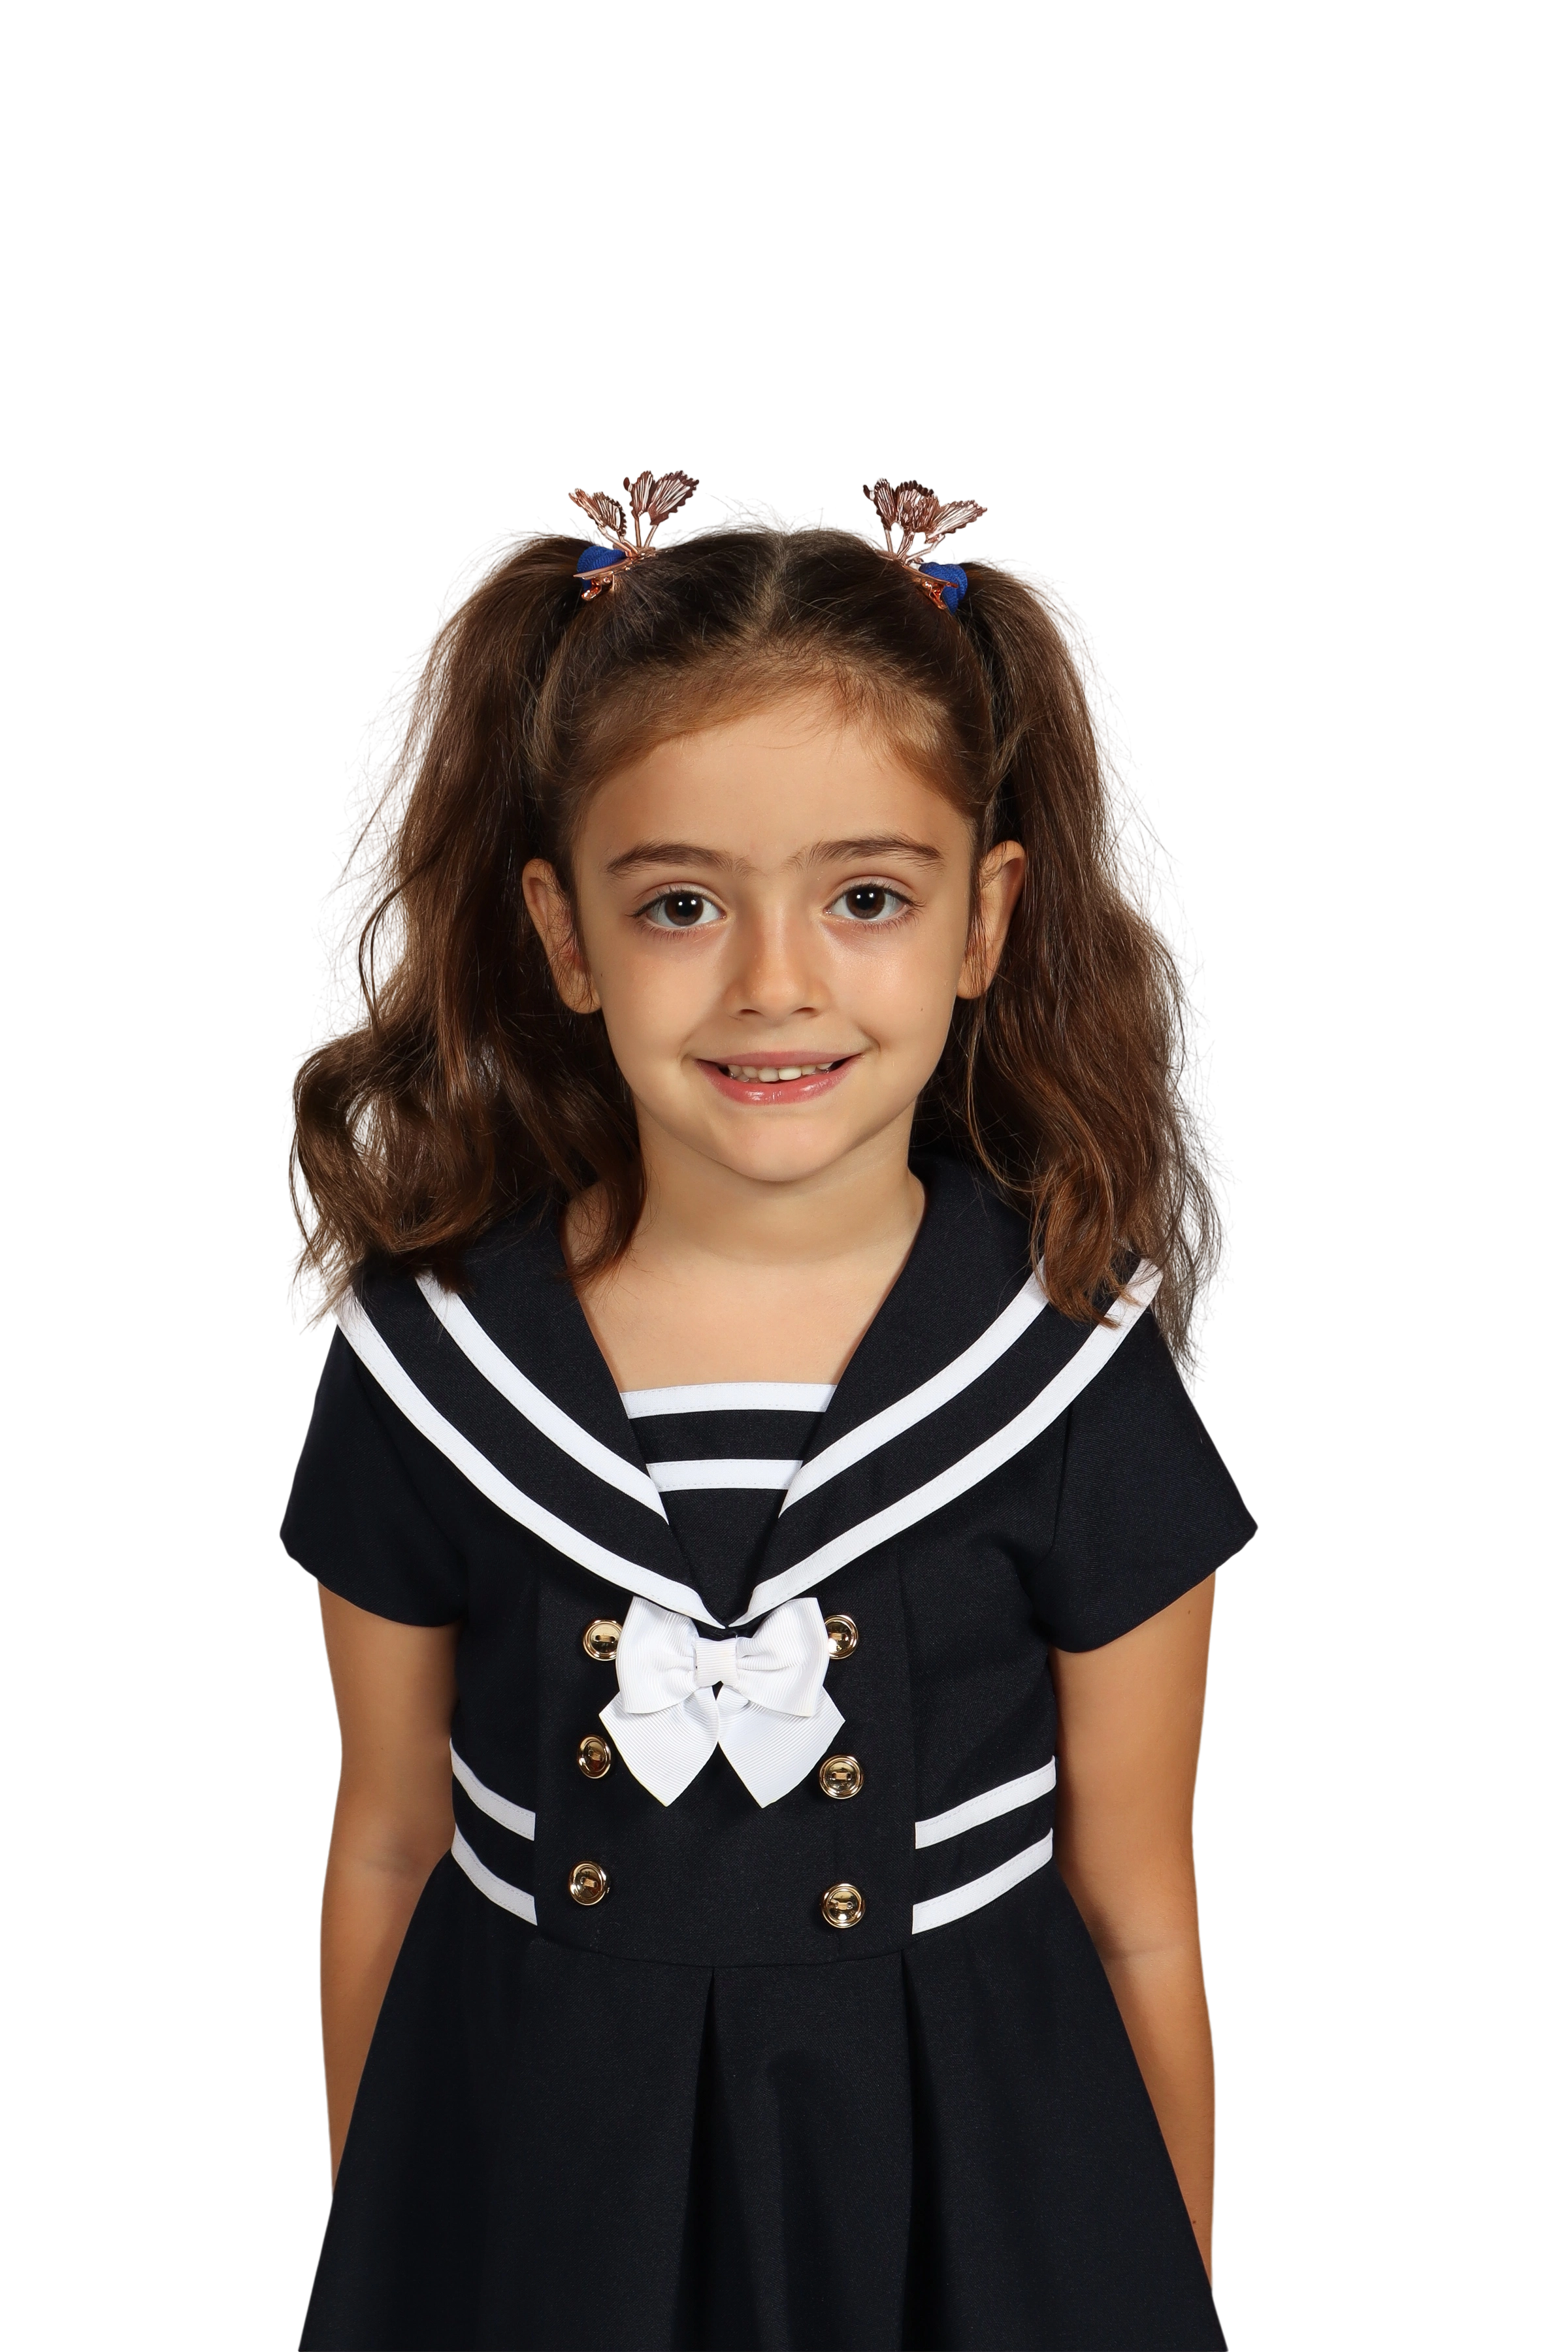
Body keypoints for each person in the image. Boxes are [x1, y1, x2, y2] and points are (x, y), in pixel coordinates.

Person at [280, 473, 1258, 2352]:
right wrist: (388, 2259)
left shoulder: (1068, 1374)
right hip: (553, 2220)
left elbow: (1140, 1903)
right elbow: (390, 1840)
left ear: (986, 918)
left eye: (867, 896)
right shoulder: (429, 1369)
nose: (775, 984)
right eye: (681, 905)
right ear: (564, 934)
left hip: (968, 2236)